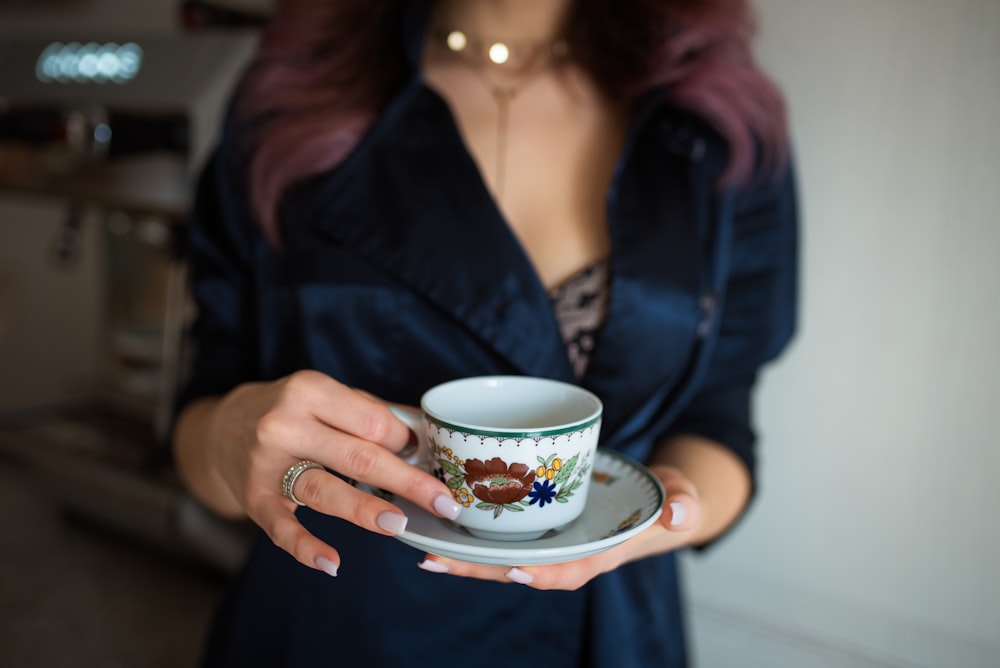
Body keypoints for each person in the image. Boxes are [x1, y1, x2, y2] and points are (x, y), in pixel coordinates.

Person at [171, 0, 798, 665]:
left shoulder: (721, 123)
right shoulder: (293, 101)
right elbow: (205, 418)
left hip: (607, 629)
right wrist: (228, 435)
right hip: (340, 619)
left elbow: (719, 417)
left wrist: (661, 520)